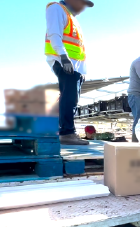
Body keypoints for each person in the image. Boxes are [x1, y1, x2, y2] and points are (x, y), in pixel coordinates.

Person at [45, 0, 93, 145]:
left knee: (71, 98)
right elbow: (54, 34)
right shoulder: (57, 9)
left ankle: (68, 131)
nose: (83, 8)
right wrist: (64, 57)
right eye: (82, 4)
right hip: (65, 62)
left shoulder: (72, 18)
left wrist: (82, 70)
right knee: (69, 98)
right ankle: (67, 133)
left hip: (75, 66)